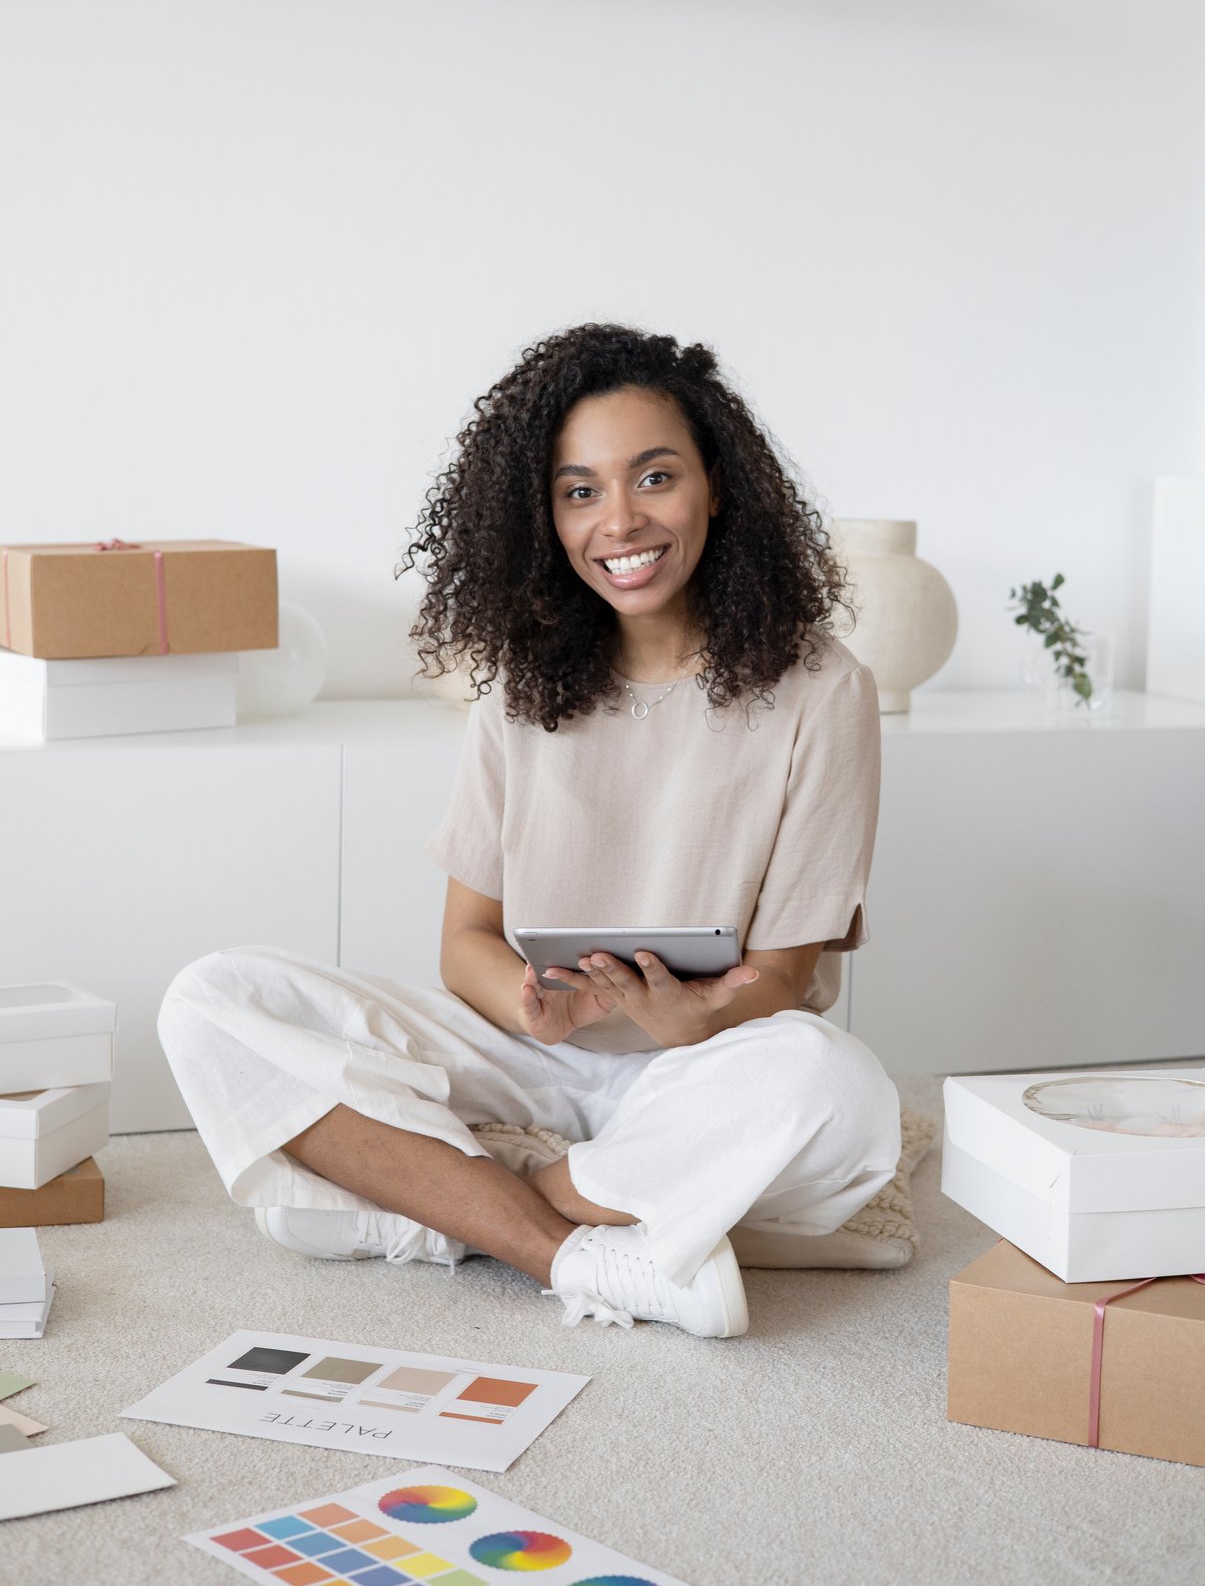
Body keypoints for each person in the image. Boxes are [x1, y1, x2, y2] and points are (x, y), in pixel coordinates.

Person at [159, 323, 900, 1340]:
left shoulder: (821, 688)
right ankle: (582, 1244)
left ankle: (468, 1196)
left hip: (702, 1065)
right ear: (543, 514)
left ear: (716, 486)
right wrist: (526, 999)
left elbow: (778, 976)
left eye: (653, 476)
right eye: (579, 489)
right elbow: (464, 941)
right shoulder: (519, 688)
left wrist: (688, 1021)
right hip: (529, 1054)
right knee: (210, 998)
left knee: (836, 1084)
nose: (618, 519)